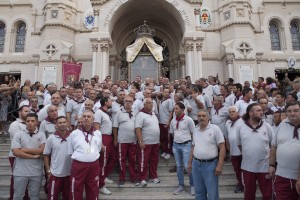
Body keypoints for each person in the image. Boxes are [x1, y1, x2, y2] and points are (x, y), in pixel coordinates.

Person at [236, 103, 274, 200]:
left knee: (267, 194)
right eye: (258, 110)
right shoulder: (240, 127)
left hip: (264, 167)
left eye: (262, 110)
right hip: (248, 167)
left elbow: (273, 146)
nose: (262, 112)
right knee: (249, 195)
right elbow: (239, 145)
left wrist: (272, 165)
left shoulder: (267, 126)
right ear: (251, 113)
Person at [188, 109, 226, 200]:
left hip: (210, 165)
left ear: (208, 117)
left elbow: (222, 147)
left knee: (212, 193)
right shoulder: (195, 129)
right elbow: (193, 147)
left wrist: (220, 165)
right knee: (199, 192)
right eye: (199, 116)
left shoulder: (215, 129)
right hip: (196, 164)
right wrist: (190, 163)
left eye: (204, 116)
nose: (201, 118)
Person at [68, 110, 102, 200]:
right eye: (84, 116)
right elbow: (70, 151)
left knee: (93, 187)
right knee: (76, 187)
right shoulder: (74, 134)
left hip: (94, 165)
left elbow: (98, 149)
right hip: (79, 165)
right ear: (81, 119)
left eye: (88, 116)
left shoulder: (98, 133)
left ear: (93, 119)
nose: (86, 118)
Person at [269, 101, 300, 200]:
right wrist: (271, 165)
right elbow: (274, 146)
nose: (292, 113)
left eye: (296, 110)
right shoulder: (282, 124)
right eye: (289, 111)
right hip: (282, 175)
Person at [12, 113, 46, 200]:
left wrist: (24, 150)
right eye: (28, 121)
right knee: (18, 196)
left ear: (37, 122)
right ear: (25, 122)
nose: (30, 123)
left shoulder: (41, 135)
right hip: (20, 172)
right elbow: (16, 152)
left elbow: (41, 150)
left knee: (35, 195)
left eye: (32, 121)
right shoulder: (18, 134)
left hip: (36, 172)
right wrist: (33, 156)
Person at [169, 102, 195, 195]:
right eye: (174, 109)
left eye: (177, 108)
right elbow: (172, 133)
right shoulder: (173, 121)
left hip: (186, 145)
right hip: (176, 145)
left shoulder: (188, 120)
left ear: (182, 109)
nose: (175, 110)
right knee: (179, 166)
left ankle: (193, 185)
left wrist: (193, 145)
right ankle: (181, 186)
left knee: (188, 166)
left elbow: (193, 133)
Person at [43, 116, 71, 200]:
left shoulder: (73, 137)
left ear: (67, 123)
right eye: (60, 123)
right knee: (52, 197)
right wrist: (48, 171)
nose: (62, 124)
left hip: (69, 173)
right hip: (55, 173)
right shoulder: (51, 138)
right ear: (56, 125)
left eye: (64, 122)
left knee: (67, 197)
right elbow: (45, 155)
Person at [112, 96, 138, 186]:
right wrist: (115, 139)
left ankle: (133, 178)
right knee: (121, 160)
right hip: (122, 140)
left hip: (133, 140)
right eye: (126, 101)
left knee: (132, 160)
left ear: (133, 102)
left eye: (130, 101)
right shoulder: (119, 112)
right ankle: (121, 178)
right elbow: (115, 127)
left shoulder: (135, 112)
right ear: (124, 102)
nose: (128, 103)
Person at [135, 97, 161, 186]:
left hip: (155, 142)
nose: (151, 105)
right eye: (149, 103)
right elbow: (138, 129)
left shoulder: (153, 113)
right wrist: (140, 141)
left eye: (152, 103)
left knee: (154, 160)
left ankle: (153, 176)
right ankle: (142, 177)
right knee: (143, 161)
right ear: (144, 104)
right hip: (146, 142)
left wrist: (158, 140)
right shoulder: (140, 114)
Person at [7, 105, 30, 200]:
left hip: (26, 155)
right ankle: (13, 197)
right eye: (26, 111)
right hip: (16, 156)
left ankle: (25, 197)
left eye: (29, 111)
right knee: (17, 179)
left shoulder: (29, 124)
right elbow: (19, 143)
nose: (28, 113)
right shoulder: (14, 125)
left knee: (26, 179)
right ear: (20, 112)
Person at [94, 97, 113, 195]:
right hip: (103, 137)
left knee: (113, 158)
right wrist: (100, 142)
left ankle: (104, 176)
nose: (111, 102)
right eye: (110, 101)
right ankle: (101, 185)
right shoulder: (99, 112)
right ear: (106, 102)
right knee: (103, 162)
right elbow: (96, 128)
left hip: (110, 137)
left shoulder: (107, 112)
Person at [224, 106, 244, 193]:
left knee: (244, 169)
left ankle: (245, 184)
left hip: (243, 151)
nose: (231, 113)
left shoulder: (243, 121)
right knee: (237, 169)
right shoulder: (227, 122)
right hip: (233, 151)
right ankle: (240, 184)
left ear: (237, 112)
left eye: (233, 111)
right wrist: (228, 148)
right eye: (230, 112)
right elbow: (226, 137)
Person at [158, 88, 174, 160]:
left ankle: (169, 152)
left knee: (168, 139)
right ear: (163, 92)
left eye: (168, 92)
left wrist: (168, 121)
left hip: (166, 122)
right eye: (165, 92)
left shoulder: (169, 101)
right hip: (160, 122)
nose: (167, 93)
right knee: (163, 138)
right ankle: (164, 151)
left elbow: (171, 112)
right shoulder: (161, 101)